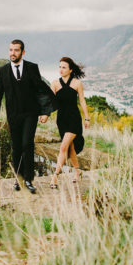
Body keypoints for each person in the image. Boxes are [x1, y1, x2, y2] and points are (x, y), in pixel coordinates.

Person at [0, 39, 55, 194]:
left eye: (16, 50)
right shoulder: (3, 71)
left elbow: (41, 90)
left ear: (23, 52)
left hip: (30, 114)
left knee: (27, 144)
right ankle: (18, 178)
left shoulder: (32, 68)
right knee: (17, 146)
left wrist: (45, 112)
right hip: (13, 116)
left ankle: (28, 179)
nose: (13, 53)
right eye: (10, 50)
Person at [49, 57, 91, 189]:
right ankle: (77, 171)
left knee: (63, 147)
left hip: (74, 119)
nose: (61, 70)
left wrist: (87, 118)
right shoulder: (55, 83)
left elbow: (82, 101)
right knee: (71, 147)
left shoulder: (77, 83)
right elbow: (50, 103)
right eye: (59, 67)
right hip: (61, 120)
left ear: (70, 69)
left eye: (64, 67)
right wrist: (44, 115)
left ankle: (55, 176)